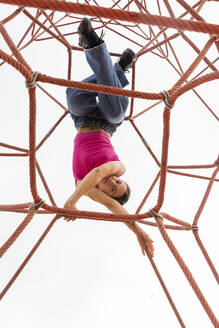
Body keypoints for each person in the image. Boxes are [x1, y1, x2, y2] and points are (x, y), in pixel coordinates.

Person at [64, 18, 154, 257]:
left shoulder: (88, 189)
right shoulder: (118, 167)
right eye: (119, 183)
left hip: (81, 119)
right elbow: (98, 173)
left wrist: (138, 232)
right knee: (116, 108)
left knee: (72, 96)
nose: (114, 182)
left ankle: (117, 72)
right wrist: (72, 200)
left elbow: (114, 207)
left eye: (112, 189)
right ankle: (94, 44)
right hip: (107, 122)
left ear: (103, 194)